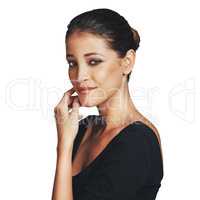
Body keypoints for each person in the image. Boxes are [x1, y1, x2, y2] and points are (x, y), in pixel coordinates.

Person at [52, 8, 164, 200]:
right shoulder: (83, 128)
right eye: (73, 63)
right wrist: (66, 143)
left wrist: (63, 148)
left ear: (127, 62)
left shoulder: (137, 142)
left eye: (94, 61)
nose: (79, 77)